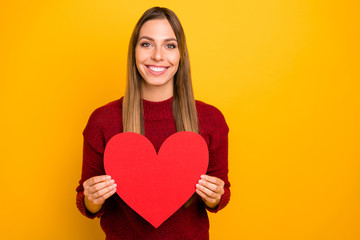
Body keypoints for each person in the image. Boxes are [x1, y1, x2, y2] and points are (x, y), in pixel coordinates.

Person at [76, 6, 230, 240]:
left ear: (181, 54)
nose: (158, 55)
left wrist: (214, 196)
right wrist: (92, 198)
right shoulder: (103, 120)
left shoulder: (211, 120)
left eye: (170, 45)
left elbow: (221, 197)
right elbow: (86, 204)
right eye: (147, 44)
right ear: (134, 52)